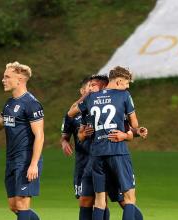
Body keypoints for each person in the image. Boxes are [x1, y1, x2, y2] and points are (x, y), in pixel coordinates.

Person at [68, 66, 142, 220]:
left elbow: (71, 113)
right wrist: (129, 134)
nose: (128, 87)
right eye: (127, 83)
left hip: (96, 153)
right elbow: (134, 125)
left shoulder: (91, 97)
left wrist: (88, 95)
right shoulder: (124, 95)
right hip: (117, 150)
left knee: (100, 201)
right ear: (120, 81)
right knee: (129, 198)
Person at [0, 62, 44, 220]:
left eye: (7, 76)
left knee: (22, 205)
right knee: (14, 206)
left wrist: (34, 164)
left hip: (26, 160)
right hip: (11, 160)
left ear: (20, 80)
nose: (3, 79)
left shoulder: (31, 103)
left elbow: (40, 136)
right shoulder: (9, 103)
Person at [60, 75, 106, 220]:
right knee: (85, 200)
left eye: (94, 86)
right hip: (82, 162)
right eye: (89, 86)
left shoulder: (102, 108)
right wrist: (65, 142)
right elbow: (65, 136)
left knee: (102, 201)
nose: (91, 89)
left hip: (101, 159)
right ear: (82, 90)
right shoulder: (72, 114)